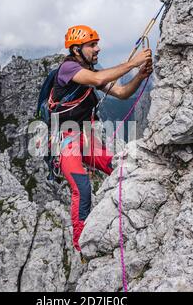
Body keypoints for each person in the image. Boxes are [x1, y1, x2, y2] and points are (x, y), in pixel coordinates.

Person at [51, 25, 153, 251]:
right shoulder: (68, 68)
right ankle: (81, 244)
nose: (98, 49)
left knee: (117, 167)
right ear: (77, 49)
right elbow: (97, 81)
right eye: (92, 45)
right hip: (65, 139)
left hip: (84, 138)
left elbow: (122, 92)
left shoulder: (90, 71)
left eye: (97, 44)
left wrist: (140, 75)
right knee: (82, 187)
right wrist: (132, 62)